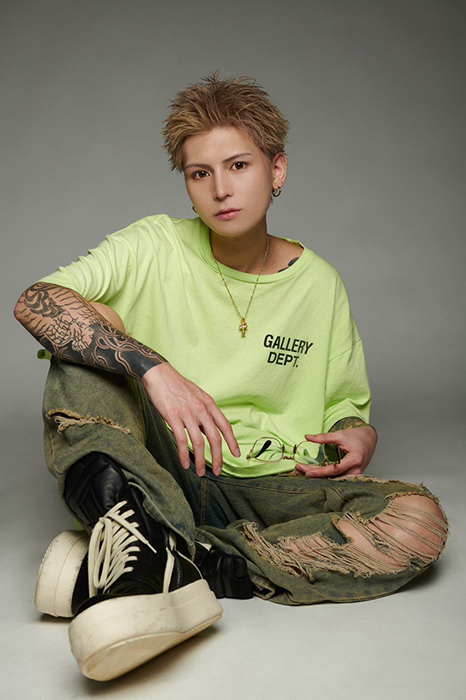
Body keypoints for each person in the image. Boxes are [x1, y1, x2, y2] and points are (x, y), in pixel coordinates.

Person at [14, 73, 448, 682]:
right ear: (187, 185)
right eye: (200, 174)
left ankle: (170, 561)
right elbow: (36, 302)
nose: (221, 189)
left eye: (239, 165)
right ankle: (136, 530)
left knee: (417, 523)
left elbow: (344, 405)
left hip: (273, 485)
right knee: (85, 337)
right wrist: (155, 369)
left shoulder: (320, 284)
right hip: (164, 464)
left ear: (277, 170)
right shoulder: (153, 245)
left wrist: (358, 431)